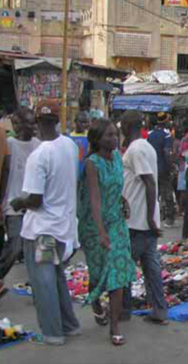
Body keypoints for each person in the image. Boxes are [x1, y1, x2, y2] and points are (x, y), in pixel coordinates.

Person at [10, 99, 80, 345]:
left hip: (42, 232)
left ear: (38, 122)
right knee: (57, 277)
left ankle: (52, 333)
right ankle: (70, 325)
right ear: (59, 121)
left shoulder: (39, 156)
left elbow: (35, 200)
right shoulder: (69, 146)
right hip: (62, 229)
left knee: (44, 282)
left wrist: (19, 202)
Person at [78, 119, 137, 346]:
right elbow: (94, 199)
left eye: (116, 134)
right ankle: (95, 303)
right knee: (97, 273)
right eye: (109, 135)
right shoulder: (92, 163)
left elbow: (114, 186)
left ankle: (114, 327)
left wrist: (123, 201)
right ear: (97, 139)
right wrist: (101, 232)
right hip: (94, 226)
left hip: (118, 223)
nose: (114, 139)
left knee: (118, 274)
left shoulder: (118, 160)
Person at [120, 110, 169, 326]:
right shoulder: (145, 147)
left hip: (137, 221)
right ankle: (159, 309)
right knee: (151, 268)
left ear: (125, 126)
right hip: (143, 219)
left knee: (124, 267)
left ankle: (123, 310)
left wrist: (149, 218)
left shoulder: (136, 149)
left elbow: (149, 182)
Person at [0, 108, 41, 294]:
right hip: (13, 202)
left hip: (34, 203)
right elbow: (4, 172)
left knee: (37, 246)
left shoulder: (38, 145)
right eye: (17, 123)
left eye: (30, 123)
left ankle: (38, 282)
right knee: (15, 245)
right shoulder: (9, 144)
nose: (19, 127)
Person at [147, 112, 176, 228]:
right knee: (167, 192)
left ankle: (154, 216)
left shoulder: (150, 135)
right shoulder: (166, 135)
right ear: (165, 122)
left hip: (152, 167)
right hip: (163, 168)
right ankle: (169, 218)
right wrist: (171, 166)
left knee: (155, 193)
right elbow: (167, 152)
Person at [69, 111, 91, 180]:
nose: (84, 125)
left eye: (86, 122)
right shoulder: (69, 137)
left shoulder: (90, 137)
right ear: (75, 122)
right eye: (81, 122)